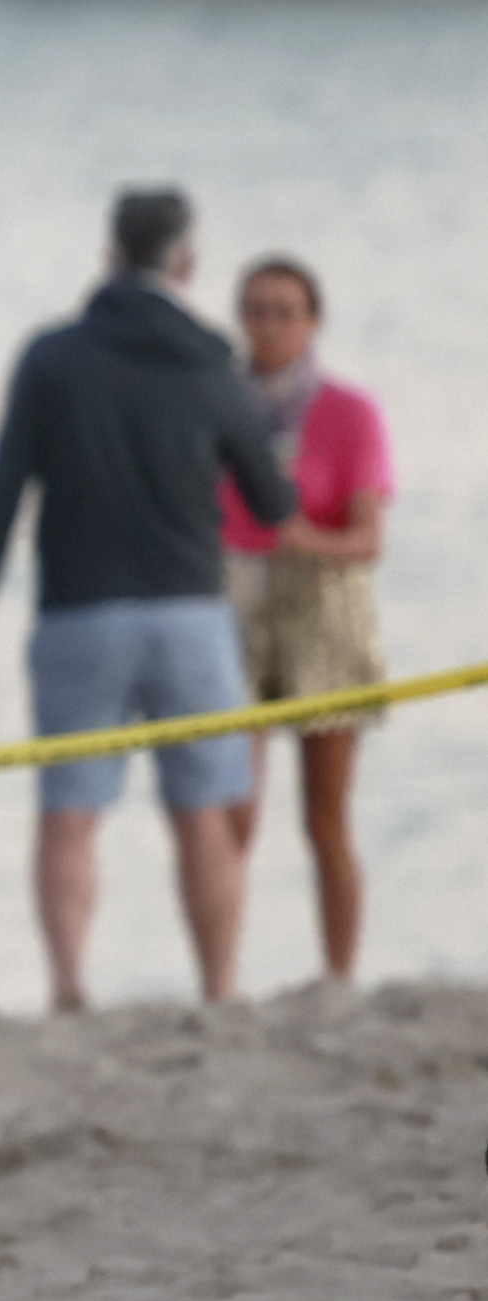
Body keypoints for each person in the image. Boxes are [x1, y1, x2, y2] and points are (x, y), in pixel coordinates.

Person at [0, 187, 295, 1010]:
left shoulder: (54, 356)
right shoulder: (211, 358)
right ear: (188, 264)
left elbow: (0, 497)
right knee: (205, 813)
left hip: (80, 612)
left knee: (70, 811)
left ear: (108, 256)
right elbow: (273, 503)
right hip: (190, 613)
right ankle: (218, 990)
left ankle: (68, 987)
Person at [221, 255, 392, 984]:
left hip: (323, 605)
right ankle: (221, 974)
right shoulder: (215, 404)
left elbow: (368, 539)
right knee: (231, 813)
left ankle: (338, 974)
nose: (268, 326)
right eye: (256, 310)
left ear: (312, 321)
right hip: (235, 600)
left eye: (284, 311)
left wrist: (302, 538)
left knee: (325, 816)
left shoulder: (349, 411)